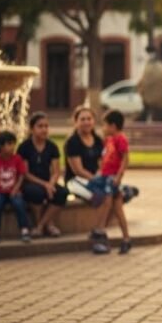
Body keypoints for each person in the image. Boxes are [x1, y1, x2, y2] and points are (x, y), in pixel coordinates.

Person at [88, 109, 133, 255]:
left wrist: (119, 177)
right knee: (118, 210)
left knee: (107, 200)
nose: (103, 128)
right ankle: (126, 239)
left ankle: (100, 229)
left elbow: (125, 159)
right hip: (106, 176)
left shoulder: (120, 139)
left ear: (113, 126)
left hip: (113, 179)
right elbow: (105, 157)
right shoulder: (108, 139)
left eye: (105, 125)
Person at [17, 112, 69, 237]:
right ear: (32, 129)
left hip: (48, 181)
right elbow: (25, 173)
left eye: (46, 126)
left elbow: (56, 171)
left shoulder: (52, 146)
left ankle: (41, 225)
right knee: (36, 193)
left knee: (62, 193)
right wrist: (45, 185)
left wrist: (51, 184)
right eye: (40, 126)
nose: (44, 129)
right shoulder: (25, 147)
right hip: (31, 182)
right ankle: (48, 224)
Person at [0, 130, 30, 243]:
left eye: (13, 144)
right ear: (1, 146)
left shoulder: (17, 158)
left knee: (19, 204)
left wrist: (16, 189)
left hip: (13, 191)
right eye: (9, 144)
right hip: (0, 191)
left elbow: (21, 175)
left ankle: (24, 229)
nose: (12, 147)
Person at [64, 105, 104, 192]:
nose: (86, 122)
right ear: (75, 122)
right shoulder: (72, 142)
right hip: (76, 181)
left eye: (89, 119)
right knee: (101, 194)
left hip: (96, 179)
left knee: (117, 193)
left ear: (93, 121)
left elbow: (102, 164)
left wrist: (99, 177)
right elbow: (78, 170)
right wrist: (95, 180)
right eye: (82, 119)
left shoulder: (98, 140)